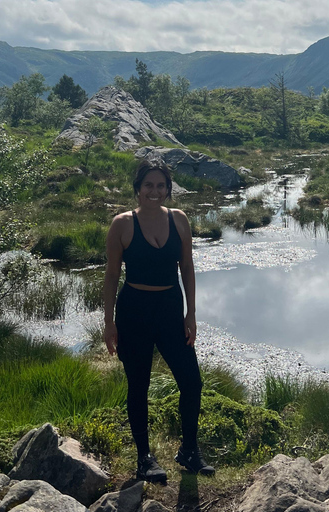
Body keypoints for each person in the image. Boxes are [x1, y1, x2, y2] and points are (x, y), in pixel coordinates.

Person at [103, 159, 215, 483]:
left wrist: (190, 313)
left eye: (161, 185)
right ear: (138, 188)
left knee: (191, 382)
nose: (155, 191)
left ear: (168, 189)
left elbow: (188, 268)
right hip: (134, 310)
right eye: (149, 185)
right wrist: (109, 322)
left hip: (169, 308)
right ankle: (143, 458)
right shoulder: (122, 224)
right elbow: (111, 275)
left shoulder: (179, 221)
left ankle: (189, 451)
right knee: (139, 385)